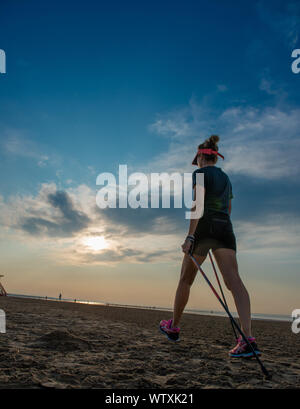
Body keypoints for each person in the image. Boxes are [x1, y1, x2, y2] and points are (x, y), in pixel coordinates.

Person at [159, 135, 261, 358]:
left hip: (205, 228)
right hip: (225, 228)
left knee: (186, 279)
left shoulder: (201, 174)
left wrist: (190, 237)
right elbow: (229, 208)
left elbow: (197, 204)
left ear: (200, 158)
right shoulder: (226, 179)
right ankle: (248, 338)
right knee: (234, 281)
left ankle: (173, 327)